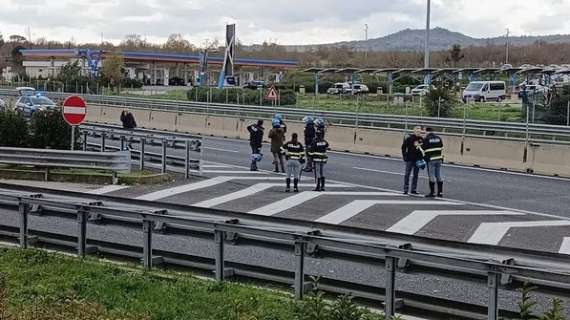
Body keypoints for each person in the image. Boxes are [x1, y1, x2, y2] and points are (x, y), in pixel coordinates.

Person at [401, 126, 424, 195]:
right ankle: (406, 189)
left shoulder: (421, 139)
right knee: (407, 174)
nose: (418, 132)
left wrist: (422, 158)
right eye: (417, 131)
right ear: (414, 131)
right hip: (410, 159)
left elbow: (423, 149)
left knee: (416, 175)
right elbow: (403, 148)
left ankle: (413, 189)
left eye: (419, 131)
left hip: (418, 160)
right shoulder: (409, 138)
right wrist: (405, 157)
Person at [422, 127, 444, 197]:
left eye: (425, 132)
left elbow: (423, 149)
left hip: (431, 159)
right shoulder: (439, 138)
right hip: (439, 159)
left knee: (431, 175)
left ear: (427, 132)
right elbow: (441, 147)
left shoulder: (426, 139)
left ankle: (432, 192)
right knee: (438, 175)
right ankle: (440, 192)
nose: (424, 133)